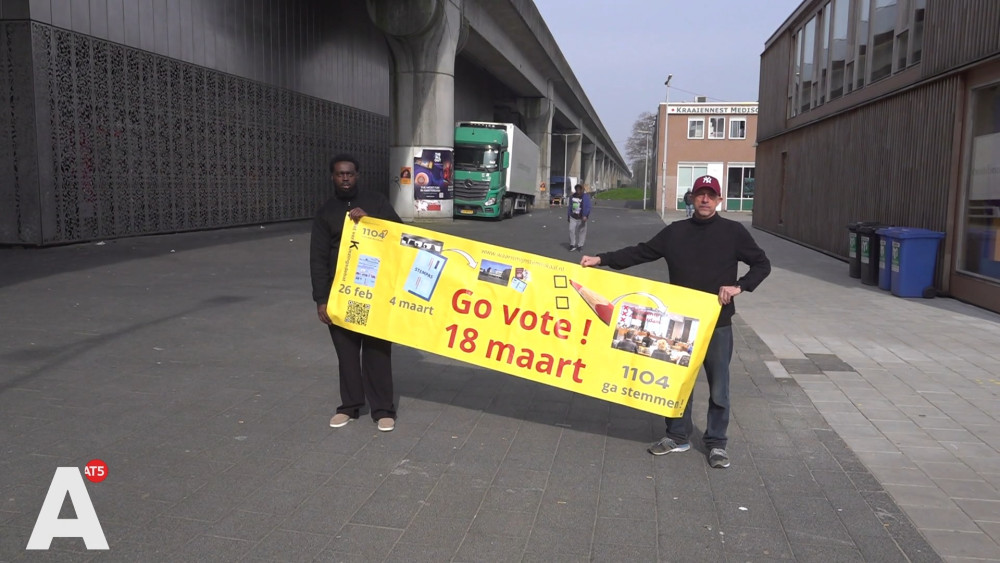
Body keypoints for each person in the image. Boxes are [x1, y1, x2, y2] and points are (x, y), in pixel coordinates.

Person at [580, 174, 770, 469]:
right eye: (700, 194)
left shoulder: (734, 233)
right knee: (677, 383)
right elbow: (640, 252)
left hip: (717, 324)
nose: (705, 200)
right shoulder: (675, 232)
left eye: (711, 195)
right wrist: (601, 259)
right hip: (682, 325)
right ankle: (676, 435)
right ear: (691, 198)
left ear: (719, 200)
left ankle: (717, 443)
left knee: (719, 386)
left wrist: (739, 286)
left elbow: (762, 263)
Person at [311, 154, 403, 432]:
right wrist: (321, 299)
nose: (345, 178)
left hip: (374, 291)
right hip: (341, 293)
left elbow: (401, 234)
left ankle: (383, 410)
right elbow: (317, 258)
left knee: (377, 352)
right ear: (333, 177)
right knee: (347, 353)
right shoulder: (326, 212)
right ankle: (349, 406)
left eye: (350, 173)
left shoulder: (377, 202)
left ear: (357, 175)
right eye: (340, 174)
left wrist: (372, 220)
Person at [567, 184, 591, 251]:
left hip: (581, 217)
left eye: (579, 189)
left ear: (582, 189)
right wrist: (568, 215)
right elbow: (570, 206)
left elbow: (588, 207)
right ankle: (572, 244)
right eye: (576, 189)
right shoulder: (572, 196)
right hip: (573, 217)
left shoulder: (585, 197)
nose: (578, 190)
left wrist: (585, 215)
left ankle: (580, 245)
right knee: (571, 230)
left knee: (582, 231)